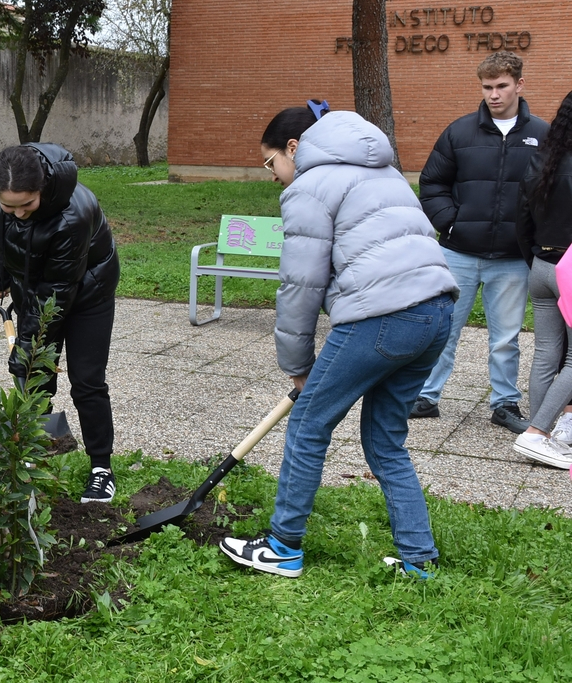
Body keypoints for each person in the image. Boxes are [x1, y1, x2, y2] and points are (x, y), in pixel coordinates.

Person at [220, 103, 459, 579]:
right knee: (386, 439)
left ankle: (282, 546)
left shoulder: (309, 185)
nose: (272, 176)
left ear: (293, 148)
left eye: (271, 163)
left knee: (308, 424)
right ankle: (419, 560)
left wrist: (298, 364)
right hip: (438, 311)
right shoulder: (383, 171)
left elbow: (300, 286)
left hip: (385, 316)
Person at [412, 52, 548, 432]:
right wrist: (451, 225)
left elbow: (555, 192)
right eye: (487, 87)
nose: (494, 94)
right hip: (457, 253)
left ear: (519, 85)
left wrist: (534, 238)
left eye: (501, 86)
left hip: (512, 257)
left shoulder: (544, 134)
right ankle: (426, 396)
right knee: (443, 329)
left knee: (506, 338)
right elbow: (432, 183)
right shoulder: (459, 132)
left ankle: (504, 404)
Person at [0, 144, 121, 503]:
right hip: (35, 287)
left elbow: (56, 298)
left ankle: (101, 469)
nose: (18, 214)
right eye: (8, 206)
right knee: (35, 377)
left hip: (88, 292)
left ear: (42, 188)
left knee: (87, 380)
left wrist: (26, 349)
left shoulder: (73, 215)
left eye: (26, 205)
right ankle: (30, 456)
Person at [513, 90, 572, 469]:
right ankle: (537, 432)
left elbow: (522, 220)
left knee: (546, 353)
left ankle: (544, 433)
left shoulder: (542, 160)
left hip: (541, 265)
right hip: (569, 267)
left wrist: (534, 258)